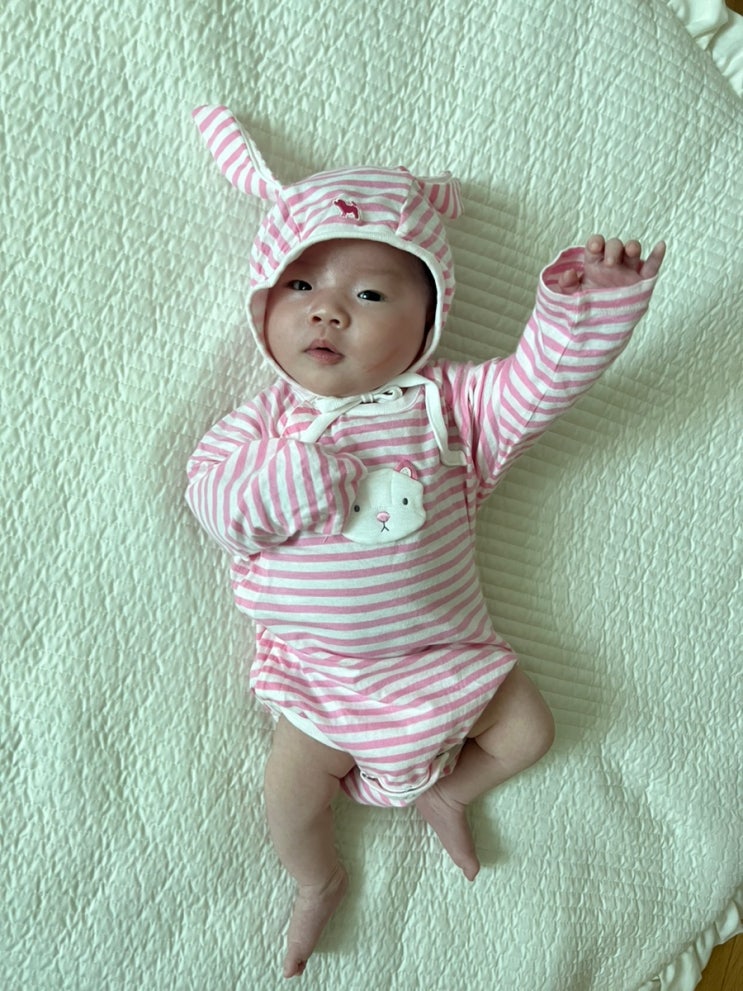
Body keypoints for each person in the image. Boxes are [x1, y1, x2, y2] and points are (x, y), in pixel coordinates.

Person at [186, 105, 666, 979]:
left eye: (369, 295)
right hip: (324, 677)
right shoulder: (264, 423)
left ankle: (450, 790)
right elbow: (215, 505)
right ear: (263, 305)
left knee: (528, 730)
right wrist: (293, 479)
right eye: (301, 287)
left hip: (446, 658)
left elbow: (538, 382)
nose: (328, 311)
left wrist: (587, 305)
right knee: (289, 793)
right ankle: (317, 880)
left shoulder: (451, 406)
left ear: (428, 318)